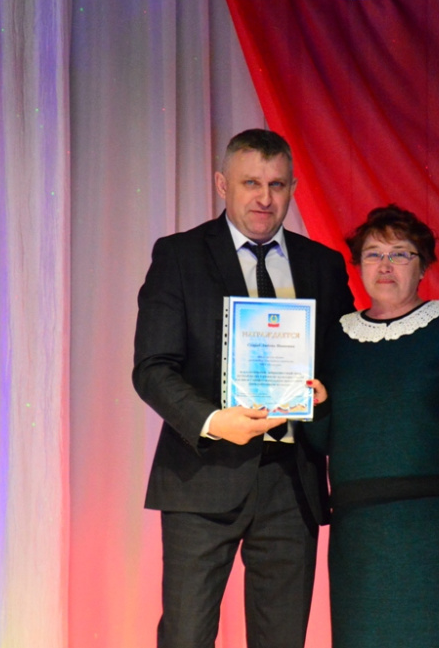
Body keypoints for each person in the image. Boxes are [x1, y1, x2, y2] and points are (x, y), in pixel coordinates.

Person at [132, 129, 355, 648]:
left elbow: (345, 362)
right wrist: (214, 421)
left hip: (292, 481)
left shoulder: (322, 264)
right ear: (221, 185)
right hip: (202, 472)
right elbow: (152, 368)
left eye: (277, 184)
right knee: (186, 637)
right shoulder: (180, 256)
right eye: (251, 183)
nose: (264, 198)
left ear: (293, 188)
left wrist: (328, 391)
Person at [305, 204, 439, 648]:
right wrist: (316, 408)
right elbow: (321, 442)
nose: (385, 265)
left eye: (400, 254)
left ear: (423, 266)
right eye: (373, 254)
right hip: (360, 538)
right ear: (358, 265)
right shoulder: (336, 339)